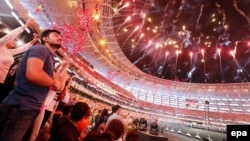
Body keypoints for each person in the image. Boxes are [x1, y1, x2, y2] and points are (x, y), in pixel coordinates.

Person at [0, 29, 66, 141]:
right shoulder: (41, 49)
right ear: (45, 39)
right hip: (20, 106)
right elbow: (34, 74)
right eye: (55, 35)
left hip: (28, 108)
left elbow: (59, 87)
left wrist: (64, 68)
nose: (60, 37)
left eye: (60, 36)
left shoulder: (50, 59)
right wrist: (53, 82)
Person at [0, 18, 38, 102]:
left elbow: (21, 50)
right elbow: (8, 36)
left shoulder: (9, 52)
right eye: (13, 39)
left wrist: (33, 41)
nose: (14, 40)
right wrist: (25, 26)